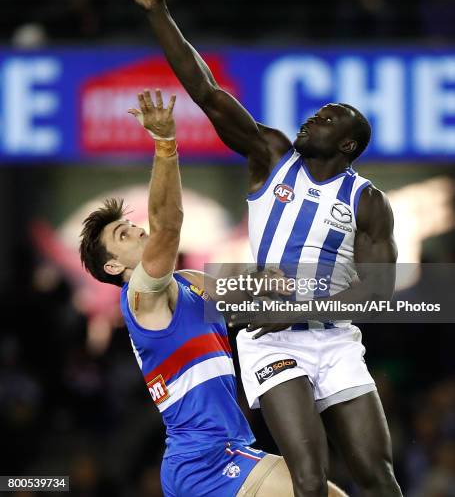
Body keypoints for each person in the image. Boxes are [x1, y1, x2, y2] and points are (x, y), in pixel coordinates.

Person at [108, 0, 403, 497]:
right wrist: (158, 13)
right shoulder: (270, 155)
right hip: (271, 342)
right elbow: (206, 90)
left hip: (333, 340)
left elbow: (379, 294)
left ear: (348, 147)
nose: (315, 118)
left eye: (330, 118)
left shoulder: (368, 200)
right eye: (318, 111)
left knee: (377, 477)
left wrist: (295, 307)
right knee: (310, 484)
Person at [79, 90, 347, 497]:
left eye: (129, 224)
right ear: (113, 267)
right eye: (122, 234)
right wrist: (166, 145)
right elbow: (168, 226)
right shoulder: (139, 296)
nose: (136, 229)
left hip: (225, 452)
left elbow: (250, 294)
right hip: (204, 462)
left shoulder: (186, 280)